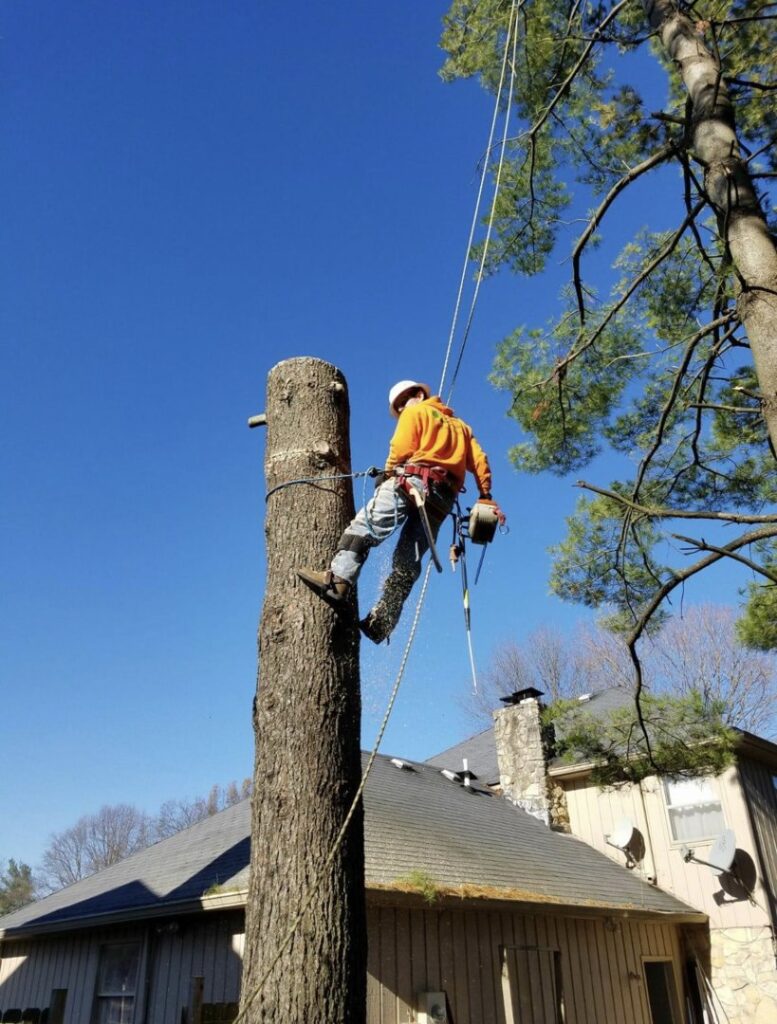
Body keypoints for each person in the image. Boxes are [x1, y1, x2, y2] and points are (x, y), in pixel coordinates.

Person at [298, 379, 501, 643]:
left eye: (404, 401)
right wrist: (485, 495)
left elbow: (400, 447)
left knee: (364, 528)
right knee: (408, 562)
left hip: (412, 481)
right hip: (442, 501)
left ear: (418, 394)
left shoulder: (416, 412)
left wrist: (388, 472)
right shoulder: (462, 428)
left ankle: (338, 580)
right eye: (399, 405)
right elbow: (480, 461)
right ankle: (382, 621)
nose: (403, 407)